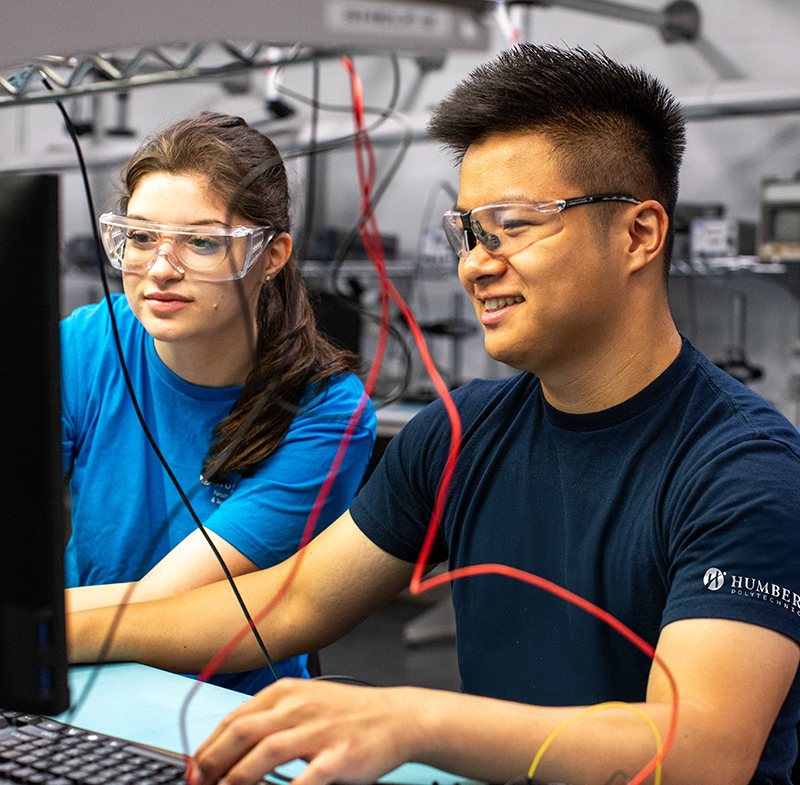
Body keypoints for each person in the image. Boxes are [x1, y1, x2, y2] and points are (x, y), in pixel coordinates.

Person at [68, 48, 800, 785]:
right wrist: (42, 631)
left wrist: (414, 718)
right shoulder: (461, 434)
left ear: (639, 234)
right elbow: (286, 607)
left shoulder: (745, 470)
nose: (476, 263)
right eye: (470, 231)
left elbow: (701, 752)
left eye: (512, 225)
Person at [62, 112, 376, 695]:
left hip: (225, 705)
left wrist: (27, 627)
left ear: (272, 254)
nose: (160, 269)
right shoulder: (85, 345)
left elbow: (169, 604)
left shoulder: (326, 414)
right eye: (141, 236)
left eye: (202, 242)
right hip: (84, 683)